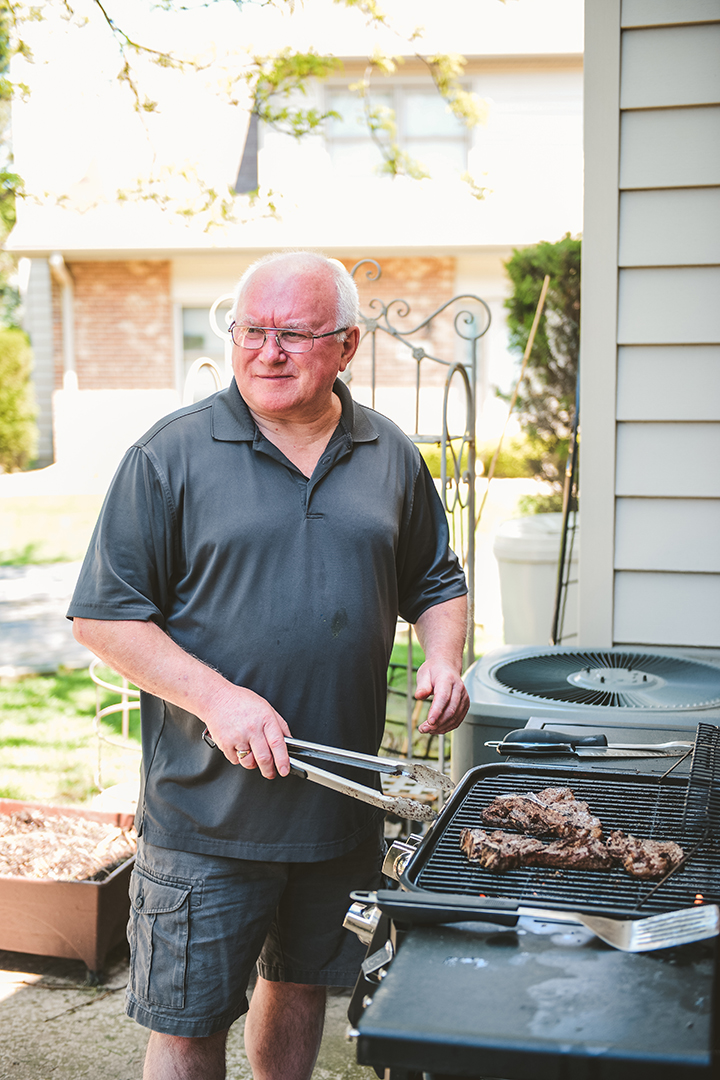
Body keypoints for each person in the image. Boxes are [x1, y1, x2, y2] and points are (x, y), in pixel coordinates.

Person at [68, 250, 469, 1080]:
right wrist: (217, 699)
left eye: (294, 333)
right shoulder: (170, 456)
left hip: (341, 810)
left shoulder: (388, 453)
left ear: (348, 346)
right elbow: (104, 617)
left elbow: (436, 581)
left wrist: (444, 654)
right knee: (188, 1023)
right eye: (251, 329)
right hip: (209, 817)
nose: (267, 351)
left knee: (300, 988)